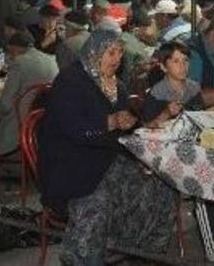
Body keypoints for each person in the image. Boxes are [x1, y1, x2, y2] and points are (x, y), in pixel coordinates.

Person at [39, 30, 176, 265]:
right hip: (70, 163)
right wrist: (110, 122)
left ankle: (143, 255)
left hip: (106, 159)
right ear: (94, 53)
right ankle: (84, 259)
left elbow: (122, 135)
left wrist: (134, 130)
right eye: (111, 53)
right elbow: (74, 130)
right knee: (96, 204)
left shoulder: (117, 86)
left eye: (120, 53)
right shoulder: (70, 82)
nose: (117, 59)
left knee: (161, 185)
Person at [0, 31, 58, 159]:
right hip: (45, 119)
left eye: (11, 51)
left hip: (22, 122)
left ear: (14, 48)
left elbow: (5, 104)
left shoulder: (20, 62)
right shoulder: (51, 59)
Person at [141, 42, 206, 127]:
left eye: (185, 60)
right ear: (163, 67)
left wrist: (208, 113)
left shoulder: (193, 88)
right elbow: (147, 126)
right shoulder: (157, 93)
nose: (182, 66)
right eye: (176, 61)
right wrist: (166, 113)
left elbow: (198, 114)